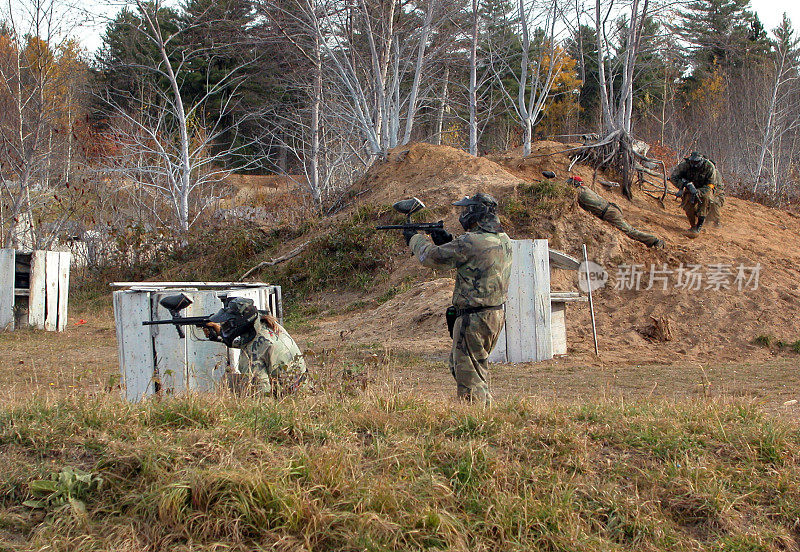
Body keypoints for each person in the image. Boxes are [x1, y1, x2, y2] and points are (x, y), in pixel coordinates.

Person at [403, 193, 512, 406]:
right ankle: (487, 412)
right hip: (494, 314)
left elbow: (431, 257)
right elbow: (474, 253)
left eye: (466, 210)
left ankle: (475, 423)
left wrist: (414, 239)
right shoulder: (502, 239)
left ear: (476, 213)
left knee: (469, 376)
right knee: (468, 368)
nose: (463, 215)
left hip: (473, 318)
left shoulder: (470, 242)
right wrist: (448, 240)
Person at [204, 297, 310, 397]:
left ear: (240, 323)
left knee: (228, 382)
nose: (225, 325)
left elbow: (262, 394)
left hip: (290, 398)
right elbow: (248, 342)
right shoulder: (266, 325)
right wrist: (221, 335)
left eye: (228, 323)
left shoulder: (256, 351)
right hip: (303, 386)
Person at [570, 176, 664, 248]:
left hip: (609, 213)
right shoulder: (585, 189)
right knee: (630, 229)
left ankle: (655, 241)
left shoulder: (579, 191)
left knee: (630, 231)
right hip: (611, 209)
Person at [669, 151, 724, 238]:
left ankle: (700, 226)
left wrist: (699, 192)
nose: (694, 164)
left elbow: (711, 183)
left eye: (696, 162)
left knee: (706, 201)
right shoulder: (685, 165)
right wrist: (684, 185)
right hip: (690, 187)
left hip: (705, 188)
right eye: (692, 162)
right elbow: (673, 177)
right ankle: (693, 226)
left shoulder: (709, 167)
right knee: (688, 207)